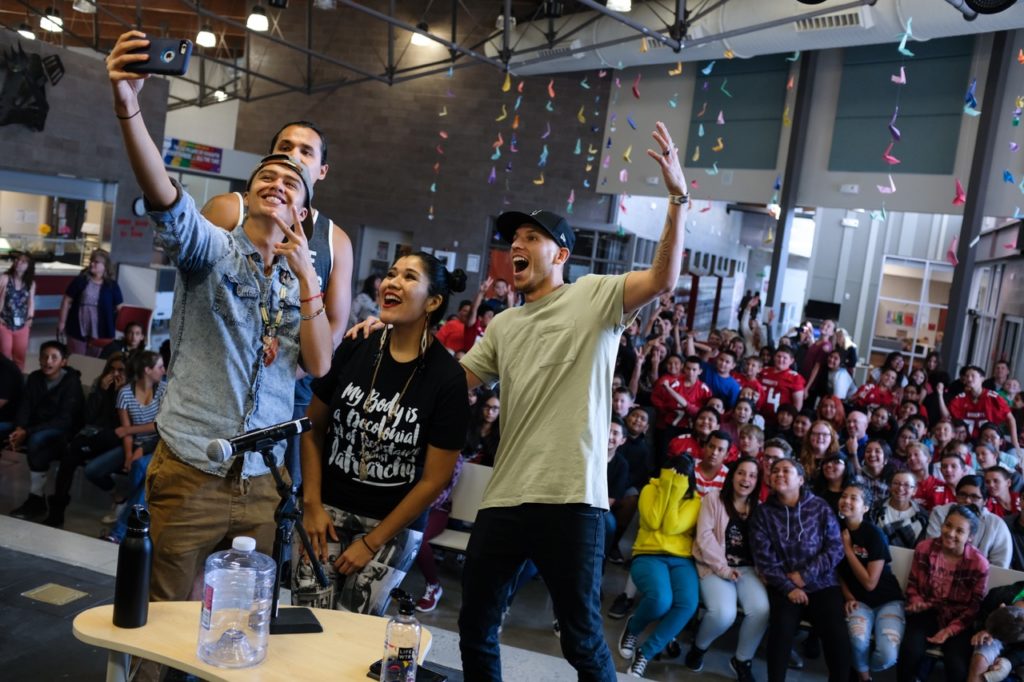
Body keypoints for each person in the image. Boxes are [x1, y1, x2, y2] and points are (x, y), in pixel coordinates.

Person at [107, 30, 334, 619]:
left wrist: (309, 279)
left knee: (239, 628)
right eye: (268, 173)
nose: (277, 181)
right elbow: (164, 194)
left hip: (262, 483)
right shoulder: (212, 249)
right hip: (190, 471)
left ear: (303, 212)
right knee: (163, 621)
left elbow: (319, 364)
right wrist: (129, 106)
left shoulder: (300, 283)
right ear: (249, 190)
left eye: (292, 181)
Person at [450, 122, 689, 681]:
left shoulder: (594, 295)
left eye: (531, 238)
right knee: (475, 625)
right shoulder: (504, 325)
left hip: (572, 500)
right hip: (505, 497)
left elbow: (662, 276)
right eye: (513, 240)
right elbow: (452, 383)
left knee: (581, 638)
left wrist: (677, 198)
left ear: (560, 253)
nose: (517, 246)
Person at [298, 252, 469, 615]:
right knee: (308, 623)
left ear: (433, 302)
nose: (391, 282)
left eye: (409, 277)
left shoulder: (447, 379)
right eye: (390, 274)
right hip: (325, 509)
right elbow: (312, 429)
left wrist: (372, 542)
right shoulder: (357, 346)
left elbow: (434, 480)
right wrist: (311, 504)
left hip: (392, 526)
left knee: (351, 631)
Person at [203, 120, 354, 487]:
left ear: (321, 170)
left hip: (291, 381)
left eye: (306, 151)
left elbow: (335, 324)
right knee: (201, 474)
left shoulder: (335, 240)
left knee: (279, 489)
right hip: (218, 374)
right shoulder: (229, 210)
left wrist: (288, 369)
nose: (294, 156)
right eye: (285, 146)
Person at [751, 458, 851, 681]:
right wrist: (789, 587)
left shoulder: (820, 507)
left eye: (786, 471)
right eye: (775, 471)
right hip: (783, 586)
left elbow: (835, 548)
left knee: (836, 632)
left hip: (822, 582)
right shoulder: (763, 513)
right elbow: (764, 560)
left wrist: (805, 575)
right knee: (782, 629)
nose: (779, 474)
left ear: (801, 479)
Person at [616, 455, 701, 678]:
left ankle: (646, 652)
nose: (675, 476)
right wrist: (667, 486)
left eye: (680, 475)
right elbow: (654, 522)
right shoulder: (650, 490)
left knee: (687, 604)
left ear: (689, 479)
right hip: (648, 554)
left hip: (681, 559)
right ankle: (634, 627)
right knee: (661, 600)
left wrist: (677, 489)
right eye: (671, 472)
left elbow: (672, 527)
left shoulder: (695, 500)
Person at [691, 456, 769, 682]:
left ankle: (742, 659)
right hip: (714, 565)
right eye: (741, 473)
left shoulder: (759, 508)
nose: (746, 479)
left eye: (753, 475)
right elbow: (704, 538)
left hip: (746, 569)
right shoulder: (712, 499)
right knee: (724, 614)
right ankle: (699, 647)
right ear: (732, 475)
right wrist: (724, 570)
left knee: (761, 610)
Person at [897, 504, 988, 682]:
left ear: (970, 537)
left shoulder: (978, 564)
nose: (951, 533)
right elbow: (913, 584)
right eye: (948, 525)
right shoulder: (925, 548)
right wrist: (916, 601)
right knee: (909, 652)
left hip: (959, 618)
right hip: (927, 611)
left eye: (960, 531)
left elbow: (974, 607)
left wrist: (948, 631)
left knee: (957, 665)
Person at [43, 353, 127, 528]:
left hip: (117, 438)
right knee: (69, 456)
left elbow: (123, 425)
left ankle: (57, 510)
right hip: (94, 435)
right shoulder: (100, 383)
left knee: (78, 448)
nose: (115, 374)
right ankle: (57, 510)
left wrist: (121, 394)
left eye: (120, 370)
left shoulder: (131, 389)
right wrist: (101, 393)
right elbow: (88, 417)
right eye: (112, 369)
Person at [4, 340, 83, 519]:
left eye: (54, 358)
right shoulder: (34, 378)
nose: (48, 361)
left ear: (63, 362)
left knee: (36, 441)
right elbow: (25, 406)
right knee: (13, 432)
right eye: (44, 357)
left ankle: (36, 500)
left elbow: (64, 420)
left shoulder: (71, 383)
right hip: (33, 426)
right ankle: (36, 499)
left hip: (60, 429)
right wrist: (19, 427)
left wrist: (27, 432)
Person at [838, 481, 905, 681]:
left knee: (887, 655)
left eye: (854, 498)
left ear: (865, 507)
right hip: (859, 601)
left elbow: (870, 583)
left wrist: (848, 550)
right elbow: (837, 572)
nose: (846, 501)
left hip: (888, 601)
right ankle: (864, 677)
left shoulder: (874, 534)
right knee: (858, 642)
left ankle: (860, 666)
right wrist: (848, 596)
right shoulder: (835, 529)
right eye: (844, 496)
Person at [926, 475, 1012, 568]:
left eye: (974, 497)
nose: (967, 500)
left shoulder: (997, 525)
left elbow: (1000, 567)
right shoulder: (940, 513)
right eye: (962, 495)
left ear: (985, 501)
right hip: (940, 571)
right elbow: (932, 549)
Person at [57, 248, 123, 357]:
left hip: (101, 331)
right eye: (91, 261)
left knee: (94, 363)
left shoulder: (112, 285)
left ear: (105, 266)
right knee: (76, 360)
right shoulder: (81, 280)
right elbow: (66, 301)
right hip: (77, 328)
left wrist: (119, 329)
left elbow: (120, 308)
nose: (92, 264)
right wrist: (62, 322)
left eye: (96, 262)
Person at [869, 470, 929, 548]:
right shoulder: (875, 509)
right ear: (890, 486)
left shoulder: (922, 517)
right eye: (896, 483)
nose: (900, 488)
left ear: (914, 490)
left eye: (906, 485)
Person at [0, 252, 36, 370]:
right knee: (4, 356)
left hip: (22, 325)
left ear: (29, 266)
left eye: (23, 261)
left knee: (20, 357)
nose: (18, 262)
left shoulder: (31, 283)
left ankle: (17, 382)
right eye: (17, 260)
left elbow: (31, 302)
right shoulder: (5, 278)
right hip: (4, 323)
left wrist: (30, 318)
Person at [464, 390, 501, 466]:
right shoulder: (469, 425)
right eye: (487, 407)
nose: (490, 412)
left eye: (495, 408)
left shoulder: (500, 435)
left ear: (500, 411)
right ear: (481, 407)